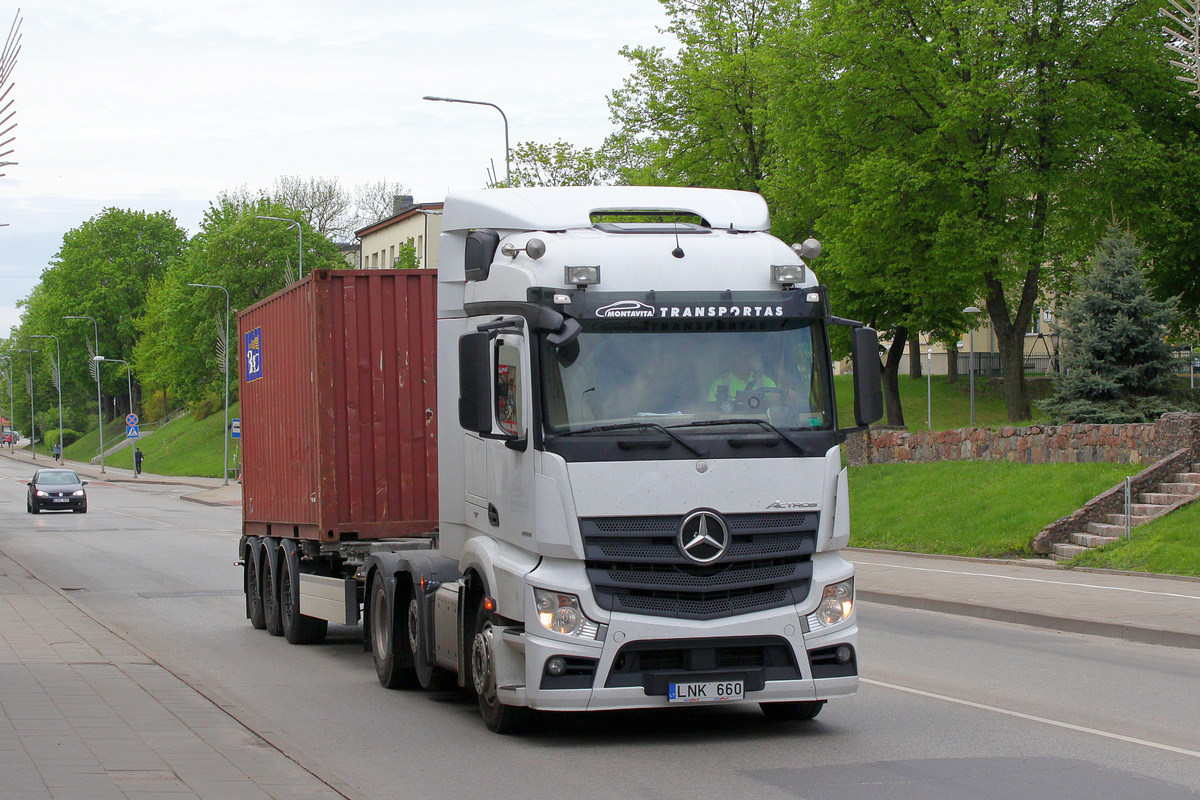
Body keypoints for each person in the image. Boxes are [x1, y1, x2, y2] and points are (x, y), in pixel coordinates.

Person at [708, 338, 777, 403]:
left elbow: (776, 405)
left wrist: (777, 400)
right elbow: (711, 413)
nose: (744, 360)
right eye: (740, 355)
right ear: (733, 357)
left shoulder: (765, 382)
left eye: (749, 356)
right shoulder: (720, 383)